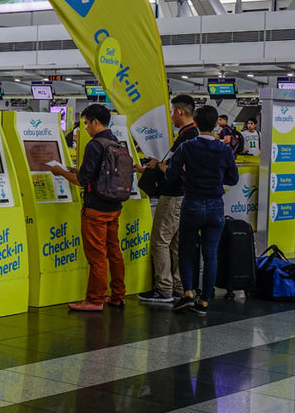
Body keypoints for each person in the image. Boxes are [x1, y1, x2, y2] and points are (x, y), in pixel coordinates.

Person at [49, 104, 126, 311]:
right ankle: (117, 295)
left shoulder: (95, 145)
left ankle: (94, 300)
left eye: (86, 124)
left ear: (95, 122)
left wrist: (61, 172)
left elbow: (82, 181)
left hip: (95, 210)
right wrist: (76, 169)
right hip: (114, 206)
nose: (85, 128)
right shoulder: (115, 141)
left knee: (97, 256)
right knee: (114, 252)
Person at [167, 105, 239, 315]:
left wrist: (185, 173)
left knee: (187, 252)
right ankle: (205, 301)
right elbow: (233, 179)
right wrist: (217, 178)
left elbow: (170, 174)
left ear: (196, 123)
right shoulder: (225, 150)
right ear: (217, 123)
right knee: (211, 255)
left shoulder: (187, 147)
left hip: (192, 203)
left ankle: (188, 293)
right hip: (216, 205)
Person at [137, 95, 198, 303]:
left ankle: (163, 288)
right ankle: (179, 286)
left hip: (173, 195)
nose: (171, 116)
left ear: (180, 112)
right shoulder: (191, 135)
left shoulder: (186, 138)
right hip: (185, 196)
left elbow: (176, 169)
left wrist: (157, 166)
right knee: (177, 244)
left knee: (159, 241)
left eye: (172, 112)